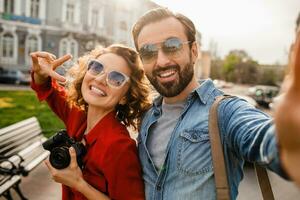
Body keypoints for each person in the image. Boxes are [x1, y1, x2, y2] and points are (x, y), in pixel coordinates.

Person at [131, 7, 300, 199]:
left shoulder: (225, 111)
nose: (161, 61)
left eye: (172, 46)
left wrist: (290, 137)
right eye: (148, 52)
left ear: (194, 51)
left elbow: (265, 138)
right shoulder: (146, 116)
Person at [30, 44, 151, 200]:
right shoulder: (77, 115)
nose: (100, 79)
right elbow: (48, 90)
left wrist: (79, 184)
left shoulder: (119, 146)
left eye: (116, 78)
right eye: (97, 67)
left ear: (125, 97)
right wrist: (41, 74)